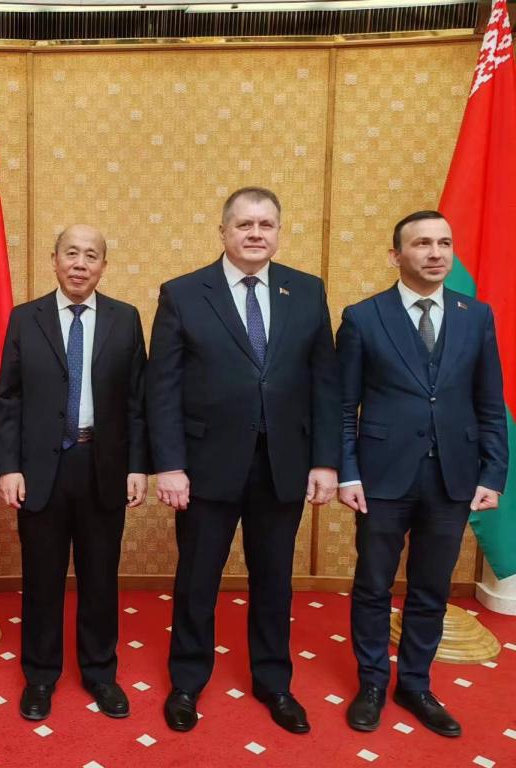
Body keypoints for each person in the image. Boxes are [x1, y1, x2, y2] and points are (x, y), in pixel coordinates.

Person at [147, 186, 340, 734]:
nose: (256, 234)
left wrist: (325, 461)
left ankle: (274, 682)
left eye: (266, 225)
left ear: (278, 232)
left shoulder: (307, 291)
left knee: (274, 581)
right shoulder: (183, 293)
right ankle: (187, 681)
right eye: (245, 225)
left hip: (283, 464)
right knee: (197, 580)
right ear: (223, 232)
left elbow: (325, 383)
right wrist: (170, 465)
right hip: (205, 467)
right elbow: (162, 387)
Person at [337, 210, 507, 738]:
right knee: (373, 585)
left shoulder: (476, 316)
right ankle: (371, 683)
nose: (436, 253)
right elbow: (343, 407)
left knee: (432, 587)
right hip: (381, 477)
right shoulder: (363, 317)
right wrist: (347, 473)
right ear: (396, 255)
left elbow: (490, 402)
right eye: (422, 244)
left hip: (454, 476)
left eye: (444, 243)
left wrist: (493, 474)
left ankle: (415, 683)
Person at [0, 224, 148, 721]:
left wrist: (138, 466)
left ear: (103, 265)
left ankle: (101, 673)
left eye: (91, 256)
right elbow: (8, 399)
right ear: (54, 259)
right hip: (41, 469)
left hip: (103, 465)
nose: (80, 264)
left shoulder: (126, 319)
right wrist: (9, 467)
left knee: (100, 576)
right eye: (71, 254)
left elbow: (137, 401)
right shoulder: (26, 318)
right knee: (42, 578)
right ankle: (40, 676)